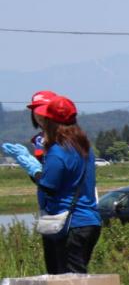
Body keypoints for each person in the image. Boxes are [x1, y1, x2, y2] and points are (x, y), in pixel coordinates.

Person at [2, 94, 103, 274]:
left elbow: (49, 185)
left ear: (50, 121)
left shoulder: (58, 150)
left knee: (66, 282)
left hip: (70, 223)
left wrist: (33, 169)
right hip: (89, 221)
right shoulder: (83, 145)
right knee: (77, 276)